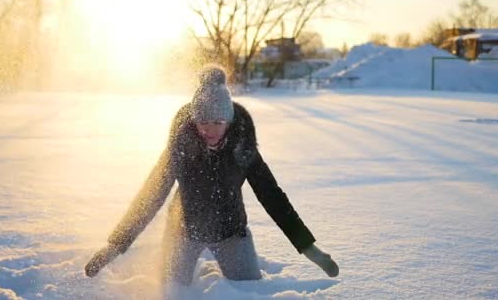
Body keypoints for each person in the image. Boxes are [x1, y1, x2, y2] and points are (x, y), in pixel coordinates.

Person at [85, 65, 338, 284]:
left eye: (218, 122)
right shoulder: (181, 145)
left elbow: (271, 195)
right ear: (194, 119)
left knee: (250, 289)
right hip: (183, 230)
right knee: (172, 289)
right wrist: (115, 245)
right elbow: (152, 193)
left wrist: (308, 246)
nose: (209, 129)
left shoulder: (242, 145)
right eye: (203, 121)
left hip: (231, 230)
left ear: (228, 121)